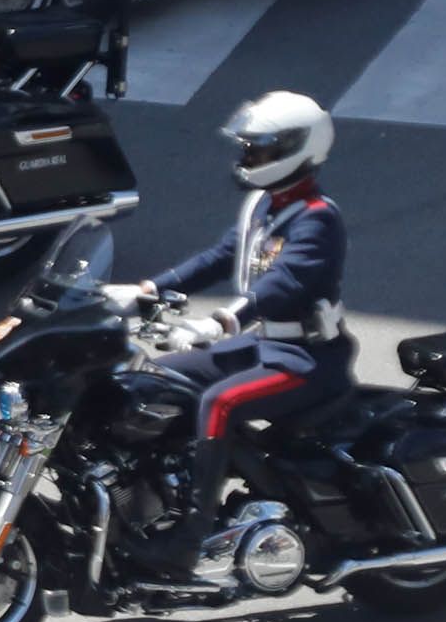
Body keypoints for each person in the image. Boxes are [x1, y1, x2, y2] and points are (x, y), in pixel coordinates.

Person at [143, 91, 351, 518]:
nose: (251, 156)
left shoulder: (316, 217)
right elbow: (220, 258)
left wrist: (221, 322)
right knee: (159, 377)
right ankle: (165, 494)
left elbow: (284, 283)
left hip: (305, 360)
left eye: (261, 149)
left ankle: (195, 525)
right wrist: (148, 289)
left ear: (297, 150)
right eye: (249, 148)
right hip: (262, 347)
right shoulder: (264, 204)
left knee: (220, 402)